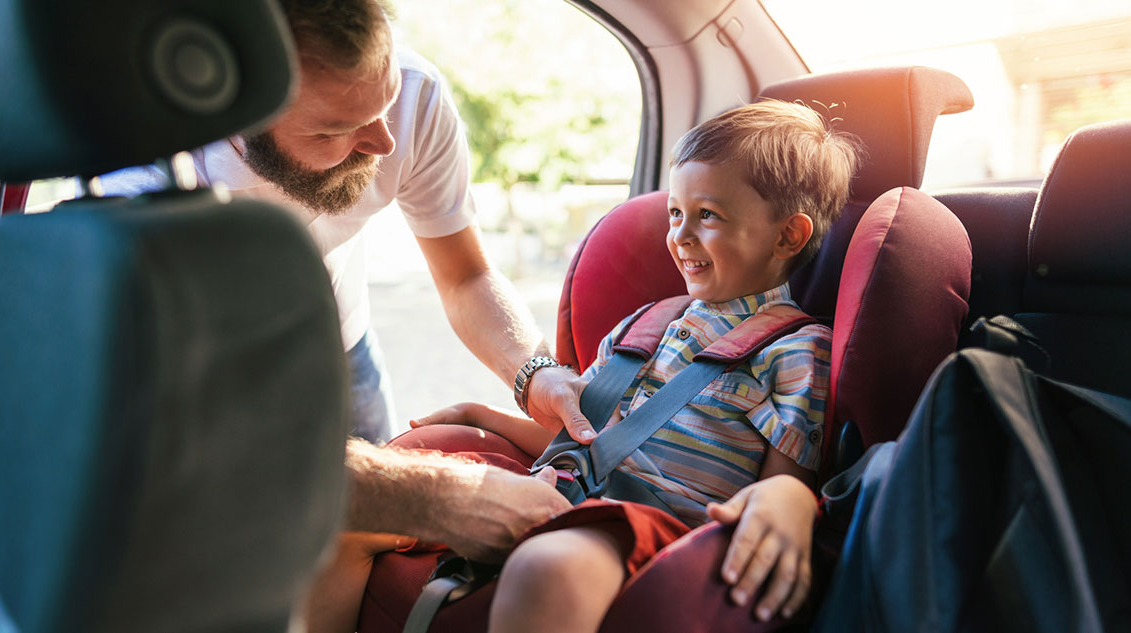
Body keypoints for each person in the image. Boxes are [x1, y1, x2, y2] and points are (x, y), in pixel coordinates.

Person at [301, 100, 860, 633]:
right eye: (675, 213)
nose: (680, 236)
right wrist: (486, 417)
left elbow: (784, 485)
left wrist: (792, 503)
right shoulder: (648, 323)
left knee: (550, 568)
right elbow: (587, 437)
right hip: (563, 488)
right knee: (343, 519)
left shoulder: (793, 350)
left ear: (789, 234)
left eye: (707, 216)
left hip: (650, 526)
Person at [98, 0, 590, 445]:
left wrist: (535, 372)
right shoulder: (143, 180)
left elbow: (465, 276)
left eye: (384, 102)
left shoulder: (414, 98)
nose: (385, 143)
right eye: (337, 128)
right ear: (238, 113)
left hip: (343, 344)